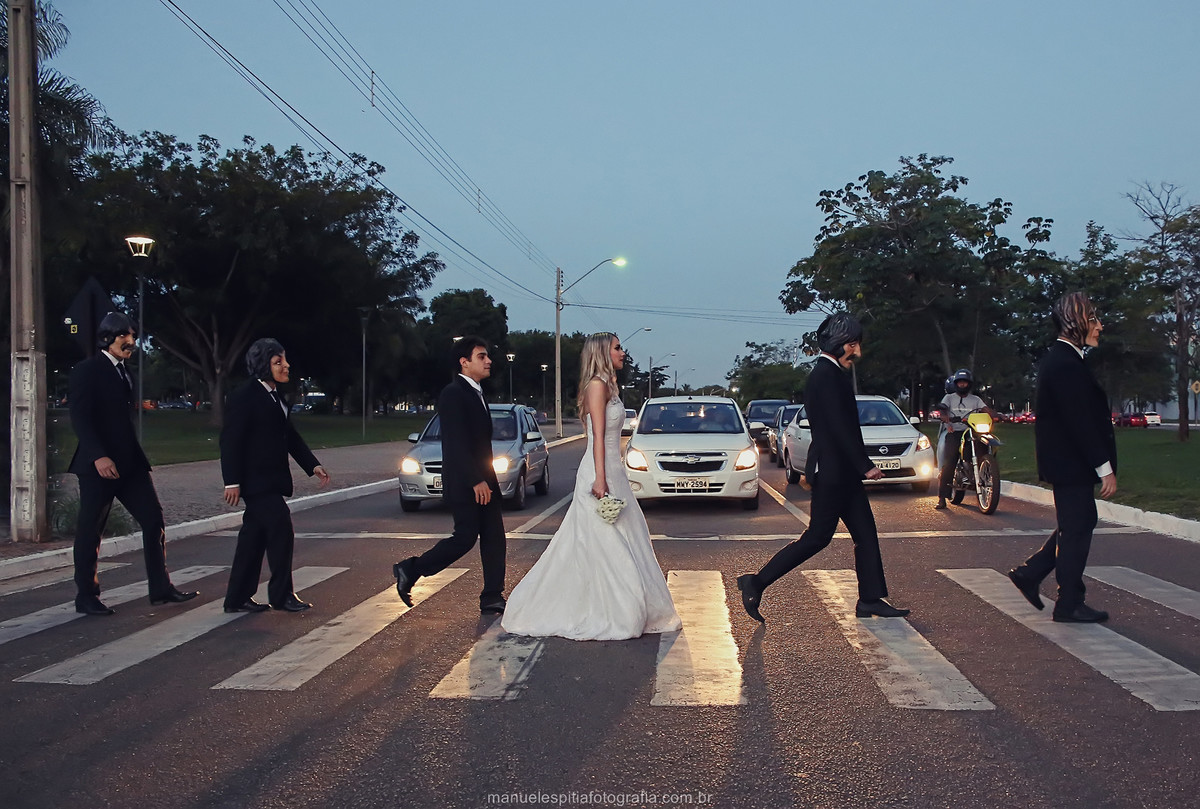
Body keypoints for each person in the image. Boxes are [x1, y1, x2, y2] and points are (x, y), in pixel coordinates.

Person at [502, 332, 681, 640]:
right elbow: (596, 437)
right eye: (617, 347)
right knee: (605, 540)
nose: (623, 352)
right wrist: (601, 478)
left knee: (622, 536)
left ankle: (627, 604)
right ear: (602, 352)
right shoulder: (596, 386)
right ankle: (617, 610)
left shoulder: (609, 386)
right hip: (600, 471)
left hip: (613, 470)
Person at [735, 312, 909, 623]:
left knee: (866, 534)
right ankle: (756, 582)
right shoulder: (825, 376)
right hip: (834, 471)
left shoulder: (832, 374)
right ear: (845, 344)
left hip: (842, 471)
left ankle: (870, 598)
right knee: (817, 537)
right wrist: (864, 465)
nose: (858, 352)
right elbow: (838, 427)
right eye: (855, 345)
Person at [67, 312, 198, 615]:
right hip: (98, 466)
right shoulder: (88, 370)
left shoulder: (125, 372)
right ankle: (86, 596)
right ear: (107, 338)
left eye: (133, 336)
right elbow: (81, 418)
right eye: (124, 335)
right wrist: (98, 455)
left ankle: (161, 588)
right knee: (90, 529)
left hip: (130, 464)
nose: (131, 342)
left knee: (153, 520)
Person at [1008, 292, 1117, 623]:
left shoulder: (1066, 360)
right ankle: (1068, 602)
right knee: (1077, 528)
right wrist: (1104, 468)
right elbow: (1079, 422)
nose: (1099, 326)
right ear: (1076, 323)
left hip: (1067, 463)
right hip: (1071, 464)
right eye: (1093, 319)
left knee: (1078, 523)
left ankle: (1031, 573)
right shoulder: (1065, 363)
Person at [393, 336, 508, 614]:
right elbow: (456, 443)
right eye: (481, 356)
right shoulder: (453, 393)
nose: (488, 360)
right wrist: (475, 480)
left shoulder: (477, 392)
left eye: (487, 356)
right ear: (464, 362)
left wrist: (487, 478)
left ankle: (492, 595)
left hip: (485, 480)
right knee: (465, 537)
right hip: (466, 482)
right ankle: (411, 568)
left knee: (494, 537)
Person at [220, 339, 330, 613]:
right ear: (263, 366)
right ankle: (281, 596)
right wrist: (231, 481)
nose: (286, 366)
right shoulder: (245, 396)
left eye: (284, 360)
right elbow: (230, 441)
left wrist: (312, 465)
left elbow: (289, 436)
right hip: (256, 482)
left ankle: (237, 598)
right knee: (282, 532)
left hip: (270, 480)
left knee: (252, 540)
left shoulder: (276, 396)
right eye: (278, 362)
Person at [933, 368, 999, 510]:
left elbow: (985, 409)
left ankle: (985, 469)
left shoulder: (975, 399)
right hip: (955, 432)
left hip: (973, 431)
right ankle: (942, 498)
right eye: (960, 383)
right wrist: (946, 419)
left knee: (985, 447)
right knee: (950, 461)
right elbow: (943, 410)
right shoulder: (949, 398)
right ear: (956, 384)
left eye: (965, 382)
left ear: (969, 384)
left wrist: (996, 414)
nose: (963, 385)